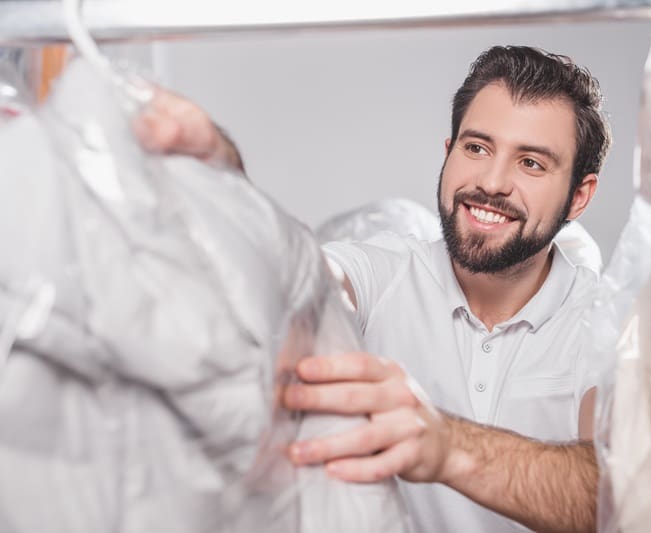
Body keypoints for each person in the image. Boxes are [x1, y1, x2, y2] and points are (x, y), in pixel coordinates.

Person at [136, 45, 611, 533]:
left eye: (530, 163)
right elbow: (296, 279)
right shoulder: (382, 272)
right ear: (448, 153)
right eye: (477, 148)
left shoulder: (608, 322)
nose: (492, 182)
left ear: (579, 195)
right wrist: (224, 182)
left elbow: (618, 494)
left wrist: (447, 445)